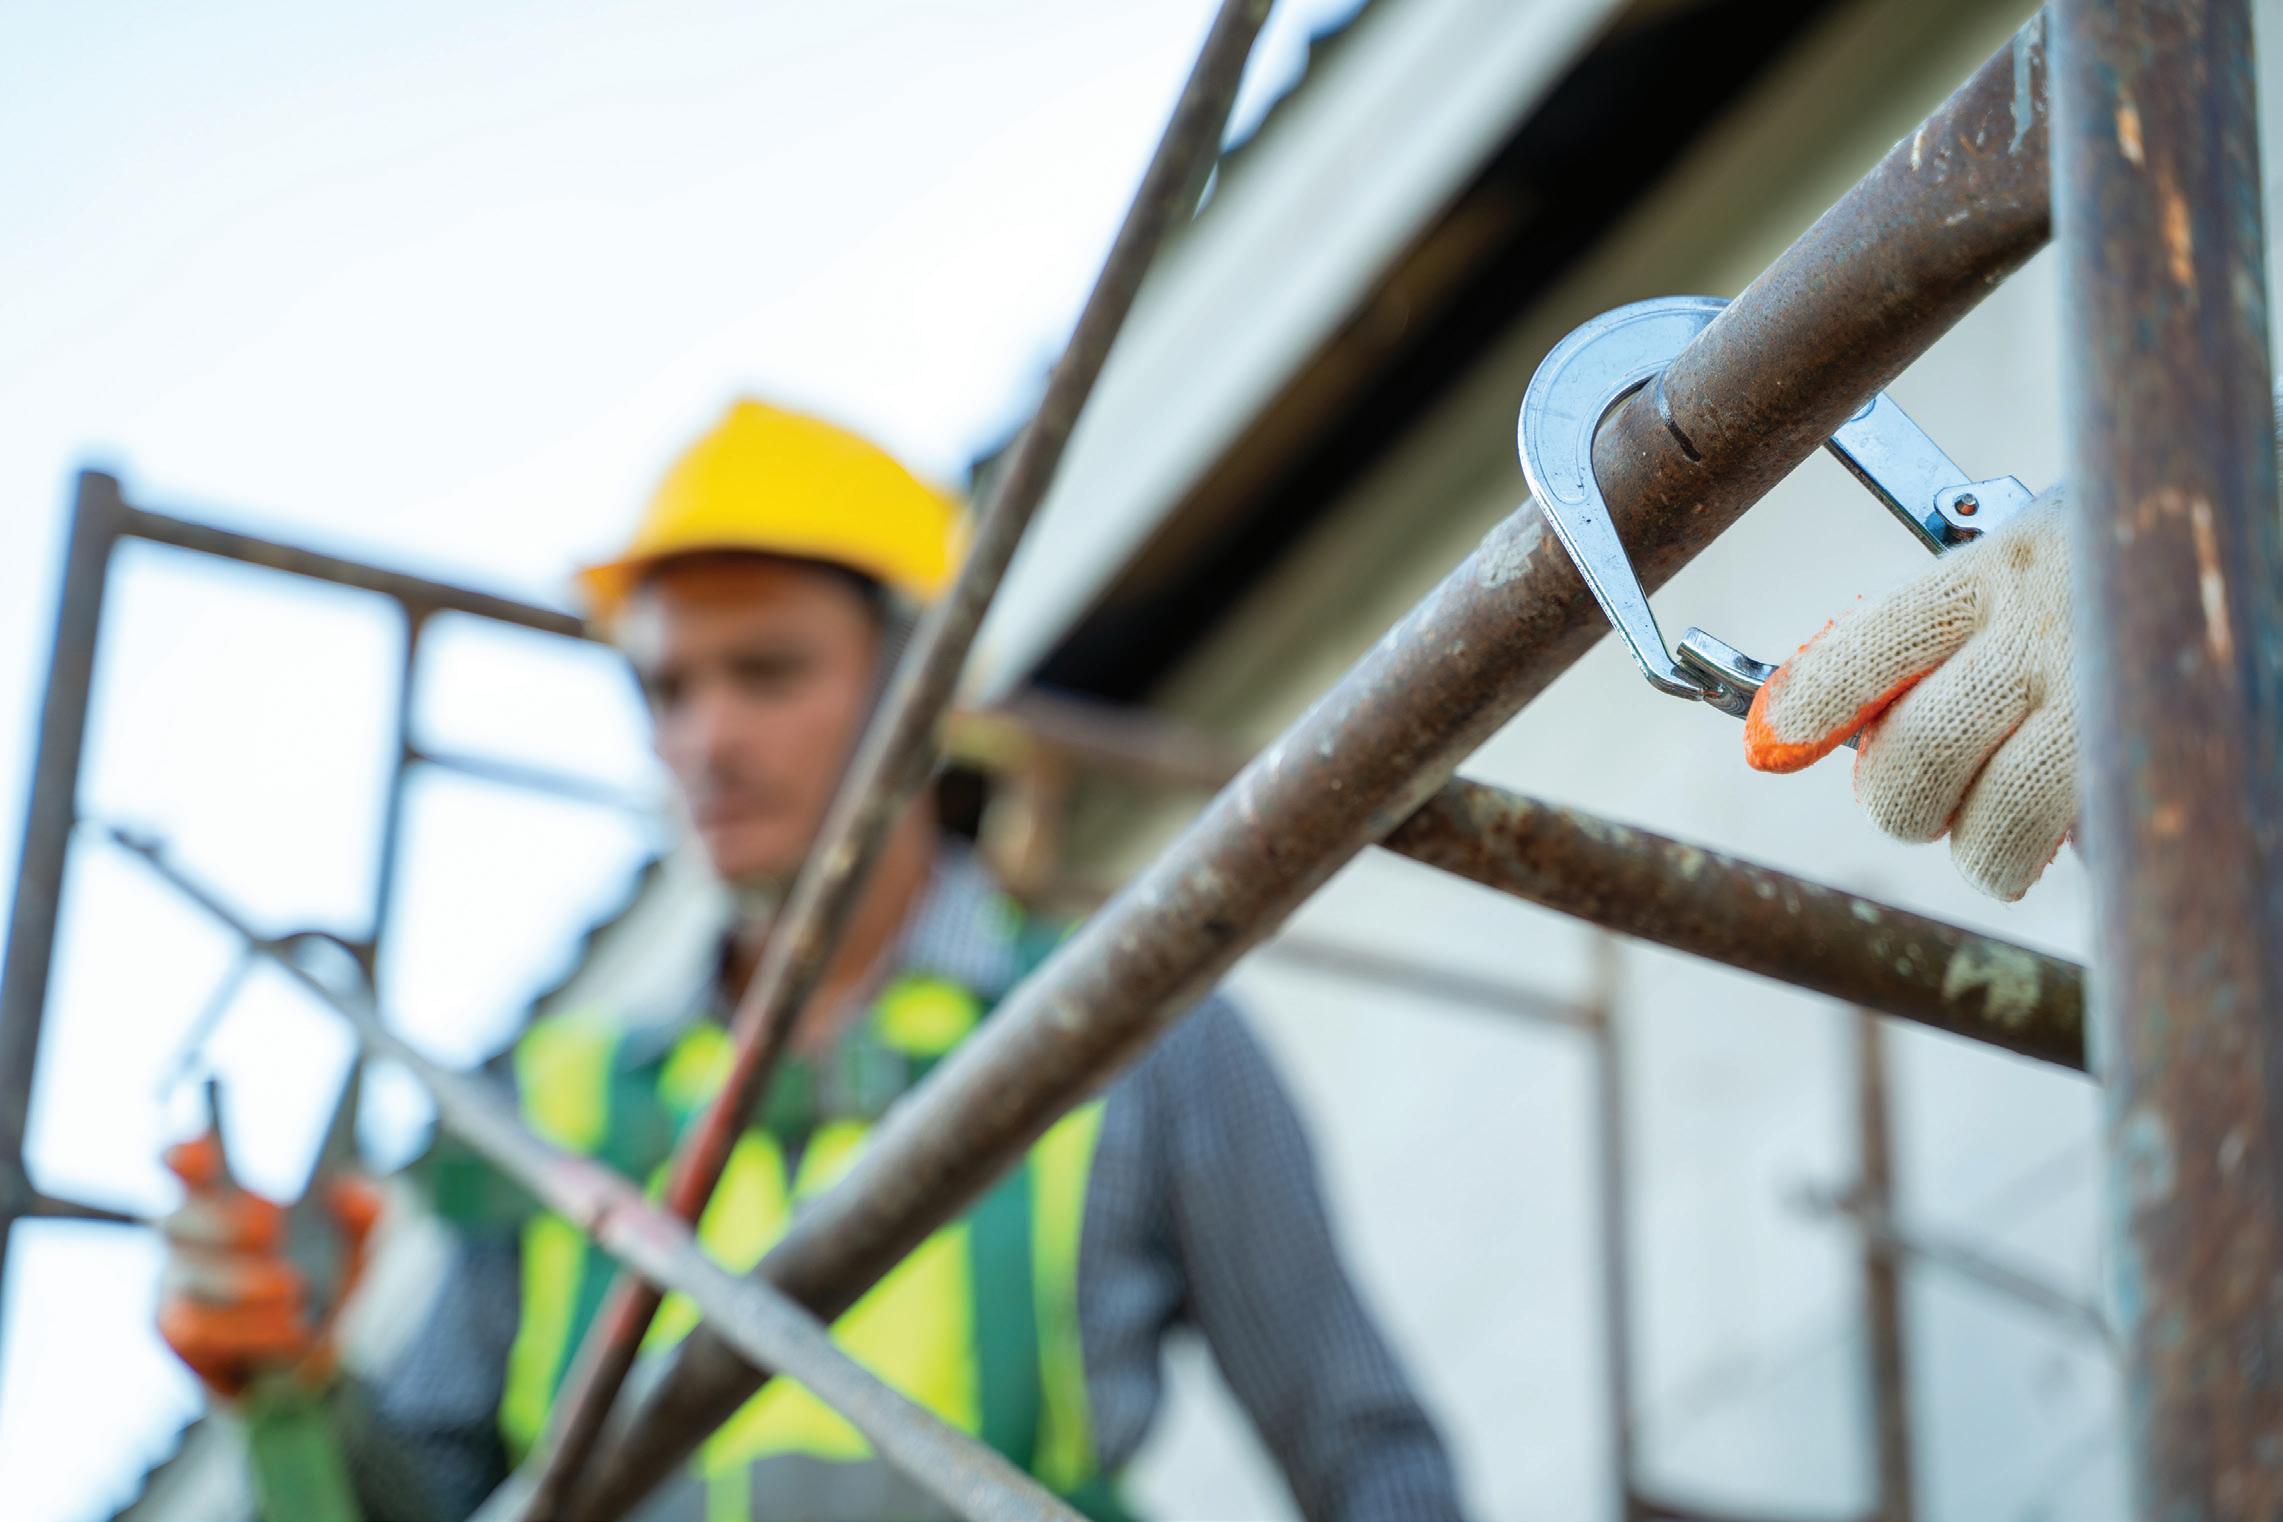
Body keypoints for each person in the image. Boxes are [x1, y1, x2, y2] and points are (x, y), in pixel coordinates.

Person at [155, 398, 1468, 1522]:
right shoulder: (556, 1106)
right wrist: (296, 1388)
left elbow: (1367, 1456)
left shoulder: (1140, 1037)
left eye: (768, 672)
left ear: (922, 690)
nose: (706, 739)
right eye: (669, 689)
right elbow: (442, 1499)